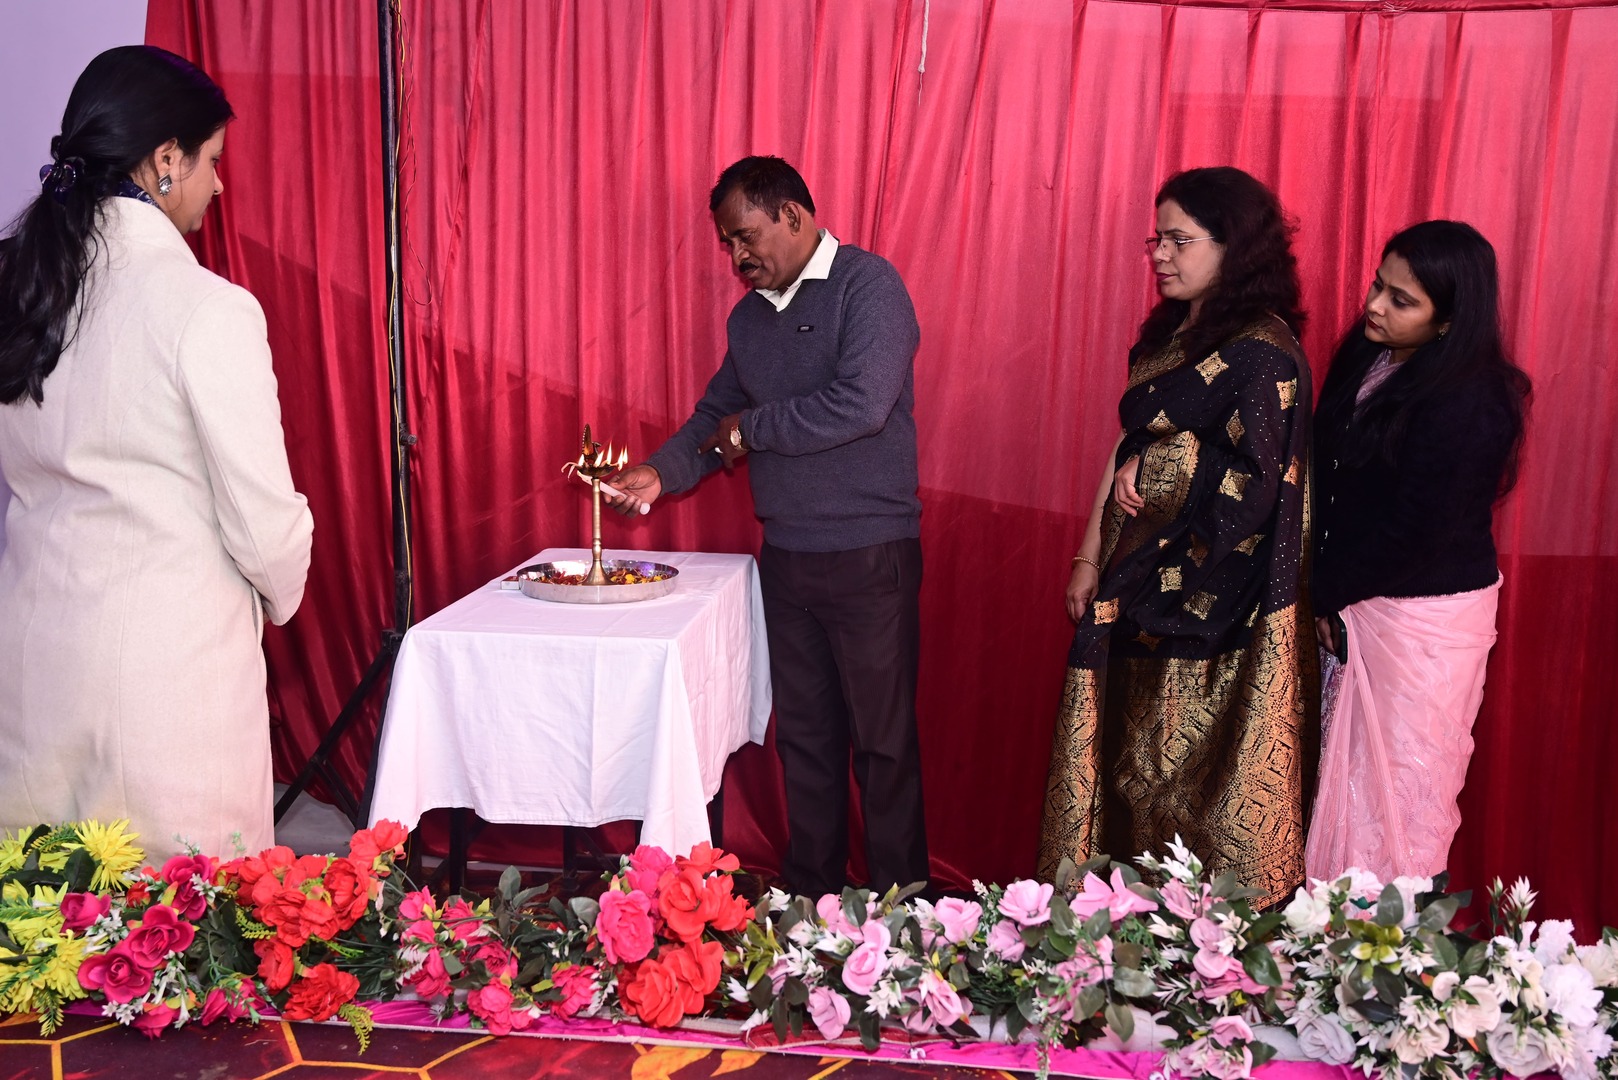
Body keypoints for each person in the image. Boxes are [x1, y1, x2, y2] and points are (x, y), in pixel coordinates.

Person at [0, 46, 313, 859]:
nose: (219, 184)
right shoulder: (207, 308)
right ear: (166, 159)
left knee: (45, 917)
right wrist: (279, 592)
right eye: (213, 160)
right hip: (164, 689)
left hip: (33, 666)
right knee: (175, 925)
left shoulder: (22, 290)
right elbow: (265, 526)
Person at [607, 156, 928, 897]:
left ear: (792, 214)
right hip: (785, 558)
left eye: (744, 236)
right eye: (726, 243)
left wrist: (750, 431)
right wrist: (659, 473)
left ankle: (904, 917)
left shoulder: (868, 286)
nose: (736, 256)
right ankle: (812, 904)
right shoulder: (749, 318)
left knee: (883, 749)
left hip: (870, 555)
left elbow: (862, 404)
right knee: (805, 741)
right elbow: (713, 419)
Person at [1037, 167, 1318, 908]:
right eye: (1155, 240)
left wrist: (1171, 467)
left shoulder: (1262, 352)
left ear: (1235, 247)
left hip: (1218, 606)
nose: (1160, 254)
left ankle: (1198, 940)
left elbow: (1259, 483)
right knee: (1129, 769)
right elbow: (1128, 446)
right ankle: (1119, 924)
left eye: (1178, 240)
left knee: (1182, 779)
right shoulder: (1169, 336)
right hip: (1135, 580)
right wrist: (1089, 555)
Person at [1305, 221, 1529, 881]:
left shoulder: (1474, 400)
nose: (1375, 305)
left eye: (1401, 300)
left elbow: (1417, 530)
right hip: (1352, 596)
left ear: (1448, 321)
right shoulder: (1368, 354)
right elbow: (1330, 475)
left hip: (1420, 614)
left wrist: (1325, 594)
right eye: (1378, 284)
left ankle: (1386, 932)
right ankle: (1318, 926)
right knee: (1333, 777)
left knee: (1401, 792)